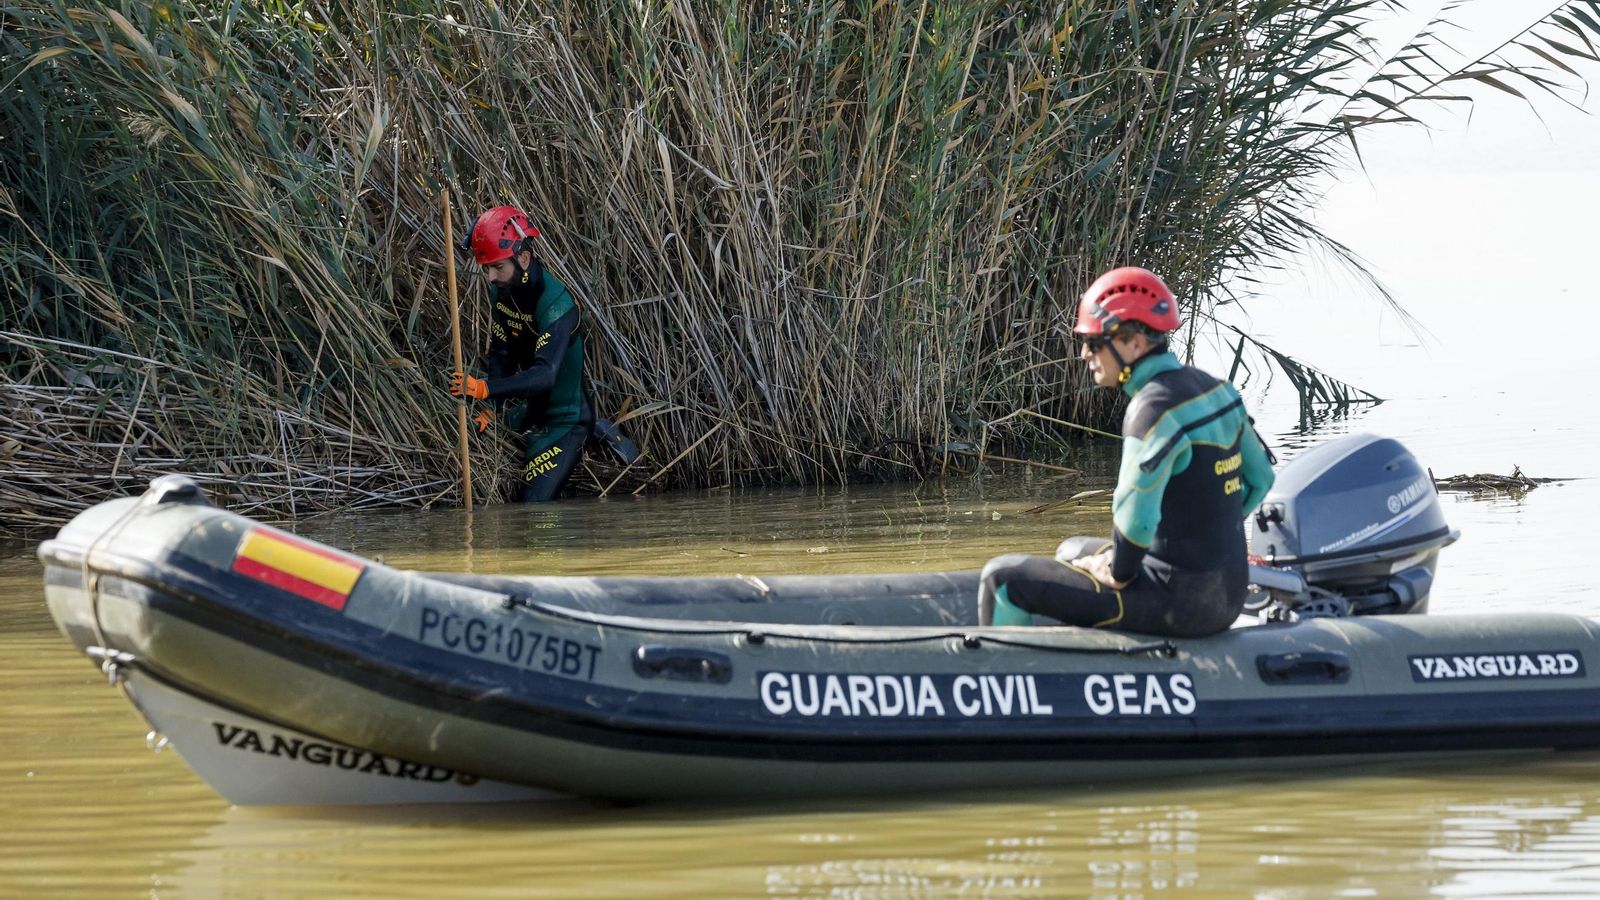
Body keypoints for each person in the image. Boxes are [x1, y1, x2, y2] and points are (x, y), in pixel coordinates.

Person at [977, 266, 1275, 637]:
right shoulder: (1219, 391)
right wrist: (1207, 533)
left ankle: (1011, 673)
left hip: (1178, 606)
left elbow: (1137, 522)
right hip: (1227, 594)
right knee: (1072, 550)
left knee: (1001, 579)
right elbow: (1262, 480)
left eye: (1094, 342)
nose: (1084, 353)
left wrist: (1118, 573)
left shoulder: (1152, 410)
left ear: (1133, 342)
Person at [450, 206, 594, 502]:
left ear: (524, 259)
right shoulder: (502, 292)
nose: (490, 277)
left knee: (532, 509)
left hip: (565, 420)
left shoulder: (557, 305)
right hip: (529, 412)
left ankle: (595, 432)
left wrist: (485, 388)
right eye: (487, 268)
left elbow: (544, 375)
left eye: (497, 267)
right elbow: (501, 352)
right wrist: (492, 406)